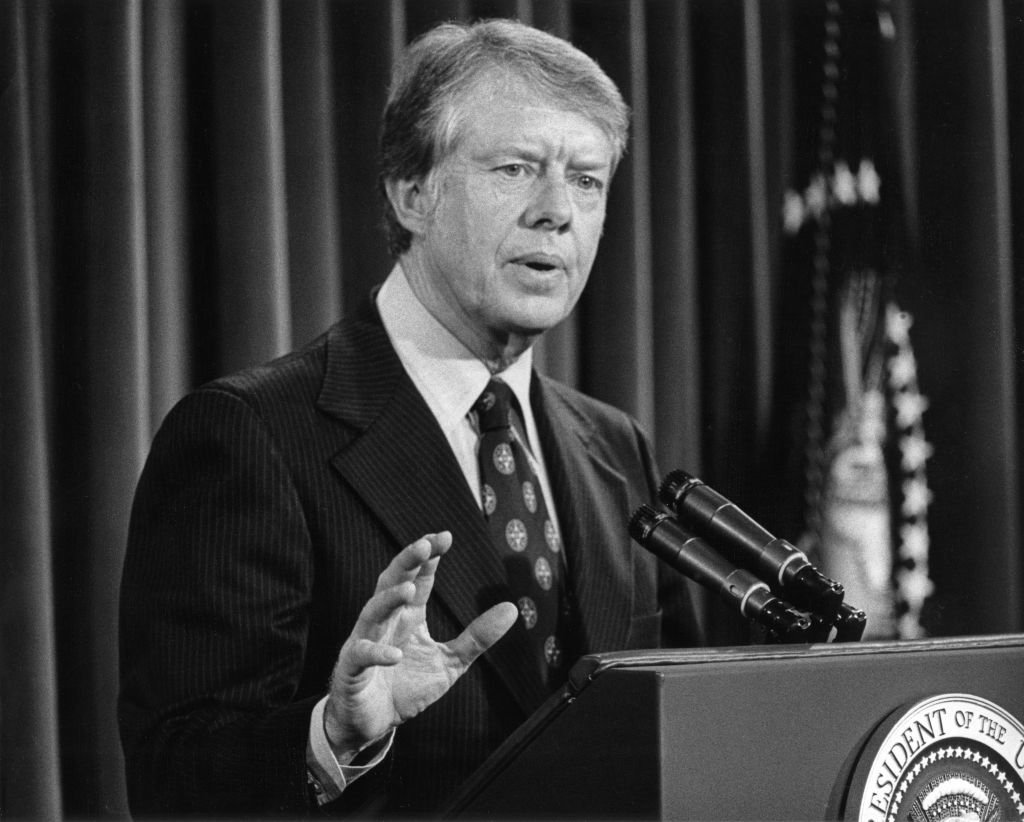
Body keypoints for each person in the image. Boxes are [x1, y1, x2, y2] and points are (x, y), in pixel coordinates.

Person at [119, 18, 704, 818]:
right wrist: (335, 734)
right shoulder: (250, 435)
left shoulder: (614, 448)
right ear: (412, 193)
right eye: (516, 168)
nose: (557, 212)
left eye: (589, 180)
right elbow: (173, 778)